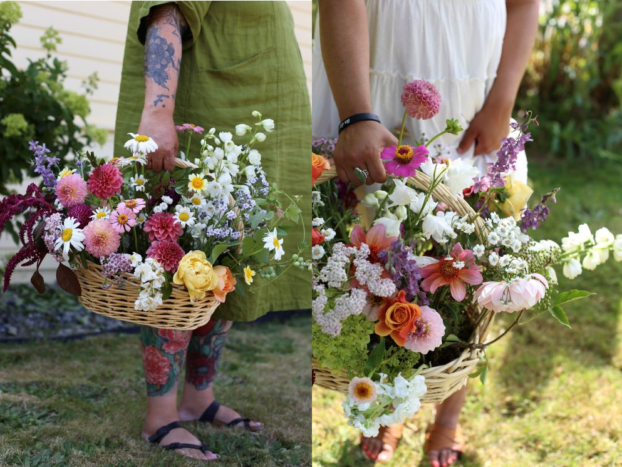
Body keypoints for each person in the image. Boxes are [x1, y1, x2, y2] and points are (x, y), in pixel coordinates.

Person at [313, 0, 538, 466]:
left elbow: (525, 4)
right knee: (377, 255)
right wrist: (357, 113)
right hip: (376, 73)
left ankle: (447, 416)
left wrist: (502, 101)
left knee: (471, 259)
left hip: (471, 85)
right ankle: (393, 395)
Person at [113, 1, 311, 461]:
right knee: (173, 256)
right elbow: (166, 10)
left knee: (230, 255)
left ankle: (198, 396)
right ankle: (160, 414)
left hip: (255, 99)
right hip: (203, 98)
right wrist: (159, 112)